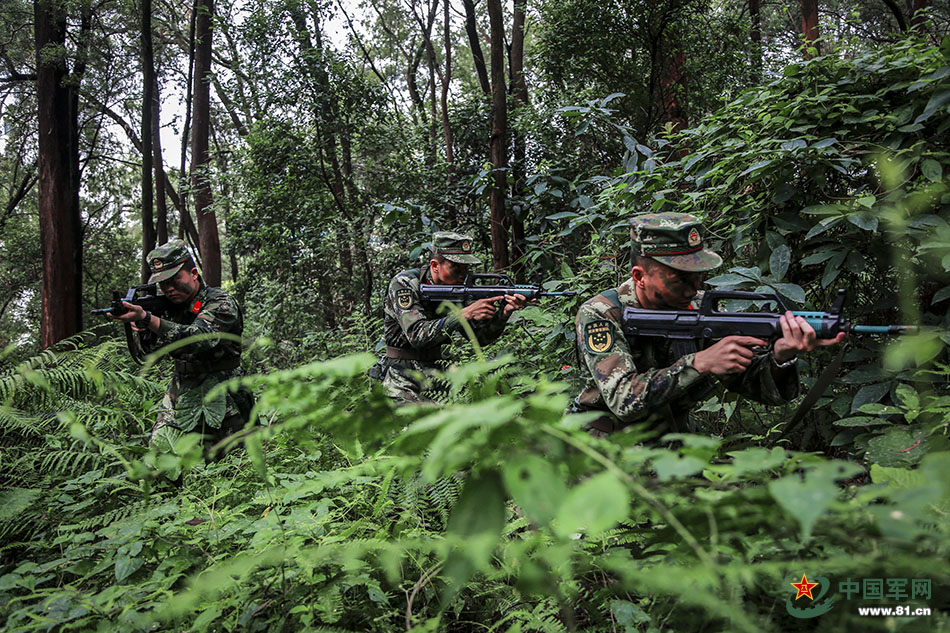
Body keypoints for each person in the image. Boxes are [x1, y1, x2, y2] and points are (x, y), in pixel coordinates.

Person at [572, 212, 845, 436]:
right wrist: (700, 362)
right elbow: (622, 399)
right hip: (606, 447)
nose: (694, 289)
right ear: (639, 276)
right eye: (680, 279)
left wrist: (781, 357)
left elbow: (756, 386)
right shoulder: (603, 313)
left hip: (672, 442)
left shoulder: (702, 307)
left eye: (699, 276)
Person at [111, 239, 252, 464]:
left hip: (224, 390)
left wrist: (149, 319)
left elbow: (198, 339)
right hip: (181, 388)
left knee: (231, 463)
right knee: (161, 456)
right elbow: (151, 353)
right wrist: (144, 329)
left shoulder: (220, 302)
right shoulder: (167, 306)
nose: (169, 288)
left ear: (193, 273)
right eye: (163, 284)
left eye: (175, 279)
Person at [370, 231, 529, 403]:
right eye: (455, 268)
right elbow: (416, 335)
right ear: (435, 265)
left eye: (466, 268)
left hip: (438, 375)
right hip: (401, 375)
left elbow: (479, 338)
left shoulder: (458, 289)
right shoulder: (405, 284)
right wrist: (464, 314)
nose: (463, 274)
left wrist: (504, 313)